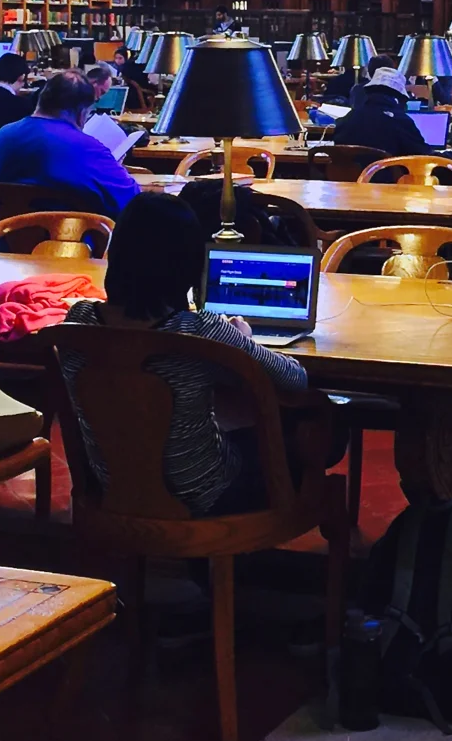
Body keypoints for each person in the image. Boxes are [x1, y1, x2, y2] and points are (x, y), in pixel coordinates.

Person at [58, 193, 317, 515]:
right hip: (204, 498)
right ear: (189, 265)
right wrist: (243, 342)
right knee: (314, 434)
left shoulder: (78, 321)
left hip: (110, 487)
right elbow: (295, 379)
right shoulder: (201, 331)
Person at [0, 68, 141, 217]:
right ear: (82, 113)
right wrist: (116, 167)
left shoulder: (1, 136)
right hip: (69, 240)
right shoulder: (87, 148)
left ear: (41, 100)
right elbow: (132, 201)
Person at [328, 66, 429, 157]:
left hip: (347, 172)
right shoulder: (401, 121)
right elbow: (422, 154)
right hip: (386, 172)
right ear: (398, 98)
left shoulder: (348, 118)